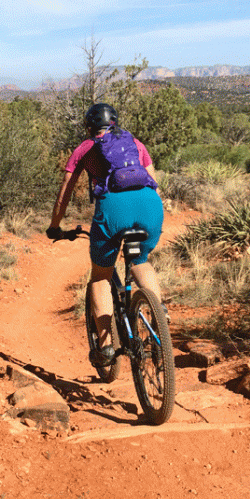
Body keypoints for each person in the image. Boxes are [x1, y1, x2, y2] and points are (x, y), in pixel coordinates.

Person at [47, 102, 164, 366]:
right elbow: (153, 182)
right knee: (140, 261)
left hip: (113, 209)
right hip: (150, 206)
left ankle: (105, 347)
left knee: (100, 276)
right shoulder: (136, 143)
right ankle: (159, 318)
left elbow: (65, 191)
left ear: (90, 127)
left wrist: (54, 226)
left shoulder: (86, 148)